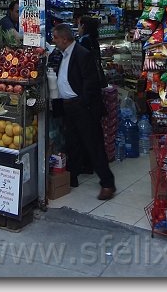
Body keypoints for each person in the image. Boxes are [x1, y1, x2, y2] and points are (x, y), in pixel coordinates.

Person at [50, 23, 116, 200]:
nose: (54, 41)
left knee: (94, 145)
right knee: (72, 143)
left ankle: (107, 183)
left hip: (82, 107)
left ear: (64, 39)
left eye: (55, 37)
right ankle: (72, 177)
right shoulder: (63, 54)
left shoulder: (82, 54)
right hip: (68, 106)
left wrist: (83, 103)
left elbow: (90, 83)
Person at [77, 15, 108, 88]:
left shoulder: (84, 40)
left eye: (78, 24)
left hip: (88, 78)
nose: (77, 28)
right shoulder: (93, 39)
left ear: (83, 26)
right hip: (95, 76)